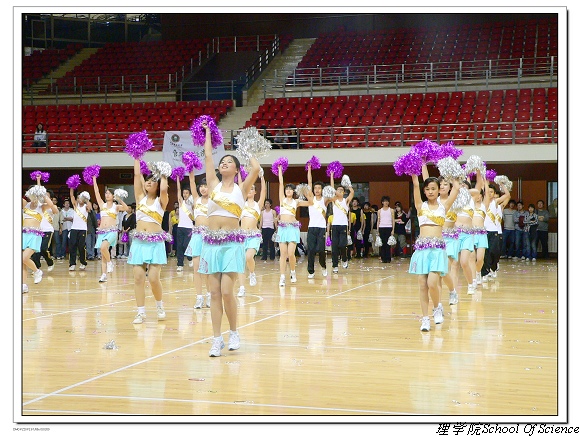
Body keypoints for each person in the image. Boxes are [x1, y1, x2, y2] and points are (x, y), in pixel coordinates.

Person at [197, 120, 260, 357]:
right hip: (211, 243)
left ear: (236, 169)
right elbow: (208, 156)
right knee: (213, 293)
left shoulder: (241, 189)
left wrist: (248, 148)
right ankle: (217, 339)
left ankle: (234, 332)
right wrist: (207, 132)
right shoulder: (212, 184)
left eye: (229, 162)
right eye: (222, 161)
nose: (224, 163)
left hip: (232, 243)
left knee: (226, 292)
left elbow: (255, 169)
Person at [409, 174, 459, 332]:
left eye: (433, 189)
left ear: (439, 190)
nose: (430, 191)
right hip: (423, 249)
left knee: (432, 283)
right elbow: (415, 184)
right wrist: (414, 174)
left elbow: (456, 188)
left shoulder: (444, 207)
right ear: (424, 191)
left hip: (437, 250)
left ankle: (437, 307)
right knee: (422, 284)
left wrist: (451, 171)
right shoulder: (420, 206)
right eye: (427, 189)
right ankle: (425, 318)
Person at [129, 158, 170, 324]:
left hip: (155, 242)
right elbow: (136, 175)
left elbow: (165, 189)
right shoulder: (140, 198)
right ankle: (141, 312)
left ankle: (159, 305)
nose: (148, 182)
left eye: (153, 180)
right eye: (147, 180)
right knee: (138, 278)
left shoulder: (161, 201)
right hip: (139, 241)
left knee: (153, 278)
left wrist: (163, 173)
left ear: (158, 185)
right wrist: (136, 156)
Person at [276, 167, 312, 287]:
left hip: (292, 228)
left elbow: (310, 203)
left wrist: (306, 192)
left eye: (290, 189)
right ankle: (282, 277)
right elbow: (280, 182)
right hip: (282, 228)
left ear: (293, 192)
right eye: (287, 189)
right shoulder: (282, 199)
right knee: (283, 254)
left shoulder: (296, 202)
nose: (288, 191)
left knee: (291, 253)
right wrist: (280, 170)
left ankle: (292, 272)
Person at [22, 177, 56, 293]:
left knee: (24, 258)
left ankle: (37, 271)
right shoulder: (25, 204)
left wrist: (41, 190)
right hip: (24, 234)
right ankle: (24, 285)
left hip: (34, 235)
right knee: (22, 262)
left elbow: (51, 204)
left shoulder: (41, 206)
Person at [92, 178, 128, 282]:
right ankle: (104, 274)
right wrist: (94, 179)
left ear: (113, 196)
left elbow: (126, 208)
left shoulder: (116, 207)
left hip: (112, 231)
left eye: (109, 193)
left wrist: (119, 199)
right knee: (103, 253)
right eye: (106, 193)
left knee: (103, 247)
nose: (107, 195)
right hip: (102, 231)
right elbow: (96, 192)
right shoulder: (102, 205)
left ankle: (109, 263)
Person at [238, 170, 266, 297]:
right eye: (248, 188)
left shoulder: (258, 205)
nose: (250, 190)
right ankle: (242, 288)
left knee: (248, 257)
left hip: (254, 235)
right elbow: (240, 186)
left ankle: (252, 273)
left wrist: (262, 176)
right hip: (241, 236)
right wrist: (239, 173)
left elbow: (264, 191)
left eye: (252, 188)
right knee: (240, 262)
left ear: (255, 192)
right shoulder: (241, 204)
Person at [186, 175, 211, 310]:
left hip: (209, 237)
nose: (203, 189)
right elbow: (191, 182)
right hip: (196, 236)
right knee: (196, 269)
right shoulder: (196, 199)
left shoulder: (213, 201)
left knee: (207, 269)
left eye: (206, 186)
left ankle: (209, 295)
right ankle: (199, 297)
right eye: (201, 186)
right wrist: (191, 170)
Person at [481, 181, 511, 281]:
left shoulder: (496, 202)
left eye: (492, 192)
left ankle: (493, 267)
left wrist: (502, 185)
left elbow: (507, 195)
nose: (489, 194)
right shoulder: (481, 203)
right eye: (488, 192)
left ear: (494, 194)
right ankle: (485, 272)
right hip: (484, 231)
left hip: (494, 231)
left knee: (494, 252)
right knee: (485, 253)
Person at [306, 163, 329, 279]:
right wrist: (309, 169)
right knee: (310, 250)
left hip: (321, 228)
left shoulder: (325, 200)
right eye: (315, 188)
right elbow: (309, 182)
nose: (317, 190)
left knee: (321, 250)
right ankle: (311, 271)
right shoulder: (311, 198)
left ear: (322, 190)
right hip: (311, 228)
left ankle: (323, 266)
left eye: (319, 188)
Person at [329, 172, 355, 274]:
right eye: (338, 190)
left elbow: (352, 192)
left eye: (341, 190)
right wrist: (332, 175)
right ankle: (335, 266)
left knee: (342, 245)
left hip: (343, 226)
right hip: (335, 226)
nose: (339, 191)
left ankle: (344, 259)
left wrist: (348, 184)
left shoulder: (346, 201)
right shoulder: (334, 200)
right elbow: (331, 187)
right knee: (334, 247)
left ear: (344, 192)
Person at [31, 187, 58, 275]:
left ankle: (50, 262)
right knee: (35, 249)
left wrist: (47, 199)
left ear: (50, 198)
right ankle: (36, 268)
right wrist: (38, 181)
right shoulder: (39, 205)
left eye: (47, 195)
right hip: (38, 230)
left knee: (43, 248)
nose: (44, 196)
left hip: (48, 230)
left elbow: (56, 211)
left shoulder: (52, 206)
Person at [68, 187, 91, 271]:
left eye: (81, 198)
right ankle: (72, 264)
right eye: (78, 198)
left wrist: (86, 199)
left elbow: (90, 208)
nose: (79, 199)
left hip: (83, 229)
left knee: (81, 246)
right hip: (74, 228)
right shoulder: (75, 206)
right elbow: (71, 196)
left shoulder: (86, 206)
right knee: (72, 246)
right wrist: (71, 186)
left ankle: (83, 262)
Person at [175, 178, 194, 272]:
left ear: (190, 194)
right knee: (179, 246)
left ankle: (190, 258)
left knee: (186, 245)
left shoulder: (192, 203)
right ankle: (180, 265)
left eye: (187, 193)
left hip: (189, 227)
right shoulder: (181, 202)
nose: (185, 194)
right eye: (184, 193)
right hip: (180, 227)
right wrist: (178, 178)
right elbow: (178, 189)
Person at [376, 196, 395, 263]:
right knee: (382, 244)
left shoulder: (391, 210)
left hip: (389, 227)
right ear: (382, 202)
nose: (386, 202)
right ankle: (383, 258)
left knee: (388, 244)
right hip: (381, 227)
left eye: (387, 201)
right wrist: (377, 230)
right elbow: (378, 221)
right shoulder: (379, 211)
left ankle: (388, 258)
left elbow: (393, 220)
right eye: (384, 201)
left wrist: (393, 229)